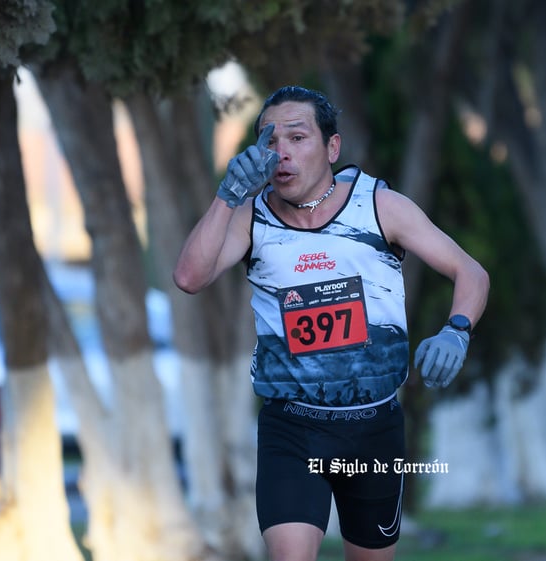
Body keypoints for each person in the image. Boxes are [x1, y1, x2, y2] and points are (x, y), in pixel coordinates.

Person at [173, 85, 489, 561]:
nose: (281, 153)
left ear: (332, 147)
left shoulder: (380, 207)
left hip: (374, 428)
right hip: (293, 428)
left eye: (298, 138)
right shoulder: (251, 218)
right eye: (269, 140)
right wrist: (228, 195)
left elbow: (471, 272)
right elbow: (189, 277)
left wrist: (456, 329)